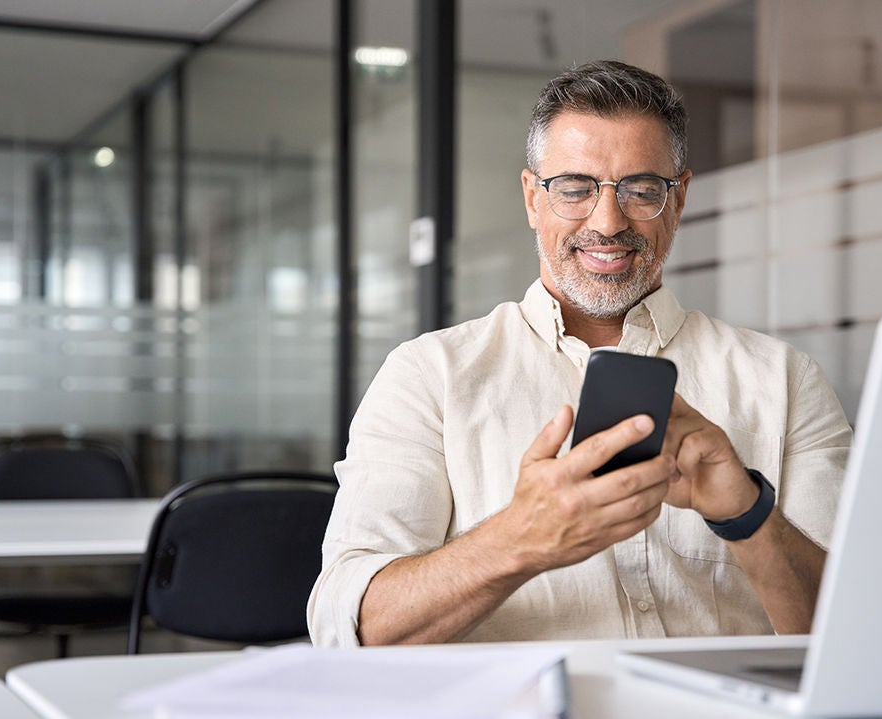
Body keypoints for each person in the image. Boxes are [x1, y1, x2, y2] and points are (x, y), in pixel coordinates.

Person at [307, 60, 852, 647]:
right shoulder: (429, 376)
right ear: (531, 198)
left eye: (643, 190)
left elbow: (861, 634)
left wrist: (747, 516)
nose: (608, 221)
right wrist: (519, 539)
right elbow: (350, 629)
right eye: (574, 189)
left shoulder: (784, 379)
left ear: (681, 198)